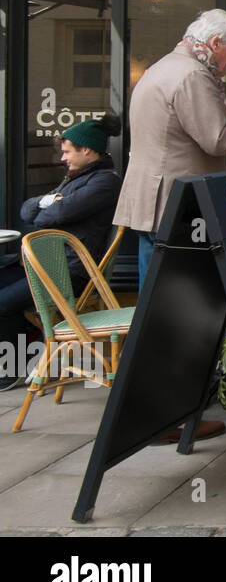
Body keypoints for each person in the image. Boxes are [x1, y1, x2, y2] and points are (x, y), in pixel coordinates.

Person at [114, 9, 226, 442]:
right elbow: (218, 139)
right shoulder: (191, 76)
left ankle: (158, 415)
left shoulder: (159, 69)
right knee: (180, 318)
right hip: (179, 210)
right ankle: (168, 417)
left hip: (156, 207)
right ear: (214, 42)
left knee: (159, 315)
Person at [0, 114, 122, 391]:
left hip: (70, 273)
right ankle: (32, 336)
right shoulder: (76, 179)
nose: (63, 158)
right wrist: (47, 201)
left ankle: (19, 362)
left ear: (86, 150)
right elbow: (27, 210)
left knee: (2, 303)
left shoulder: (104, 183)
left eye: (67, 151)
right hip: (45, 266)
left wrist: (50, 206)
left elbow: (48, 217)